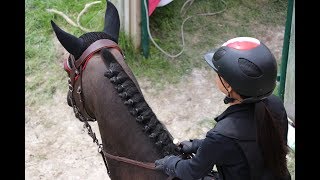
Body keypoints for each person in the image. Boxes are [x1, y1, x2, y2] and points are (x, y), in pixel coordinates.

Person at [154, 37, 291, 180]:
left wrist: (170, 163)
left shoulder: (222, 134)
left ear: (229, 86)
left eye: (218, 73)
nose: (216, 75)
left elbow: (191, 171)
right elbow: (241, 145)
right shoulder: (275, 105)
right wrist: (196, 145)